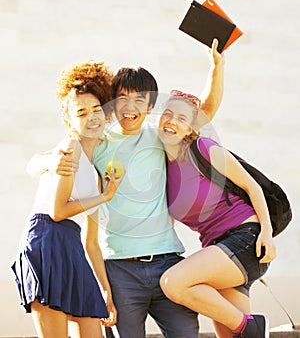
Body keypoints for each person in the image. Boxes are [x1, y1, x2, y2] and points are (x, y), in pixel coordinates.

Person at [26, 39, 224, 338]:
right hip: (119, 270)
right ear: (112, 103)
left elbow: (204, 112)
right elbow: (39, 160)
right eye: (122, 98)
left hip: (167, 263)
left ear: (150, 105)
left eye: (139, 99)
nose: (130, 107)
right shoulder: (98, 141)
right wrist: (48, 161)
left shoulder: (160, 137)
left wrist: (216, 68)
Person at [12, 61, 123, 338]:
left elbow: (91, 242)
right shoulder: (70, 147)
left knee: (92, 330)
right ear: (69, 121)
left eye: (97, 109)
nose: (92, 117)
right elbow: (58, 211)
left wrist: (106, 291)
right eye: (82, 112)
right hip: (47, 238)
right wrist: (104, 197)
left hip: (73, 245)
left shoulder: (97, 175)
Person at [157, 90, 277, 338]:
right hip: (217, 249)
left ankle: (254, 327)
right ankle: (248, 328)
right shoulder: (163, 168)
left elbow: (250, 185)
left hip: (246, 239)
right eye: (167, 114)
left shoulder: (203, 148)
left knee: (173, 283)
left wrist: (267, 232)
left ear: (191, 128)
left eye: (181, 118)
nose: (171, 121)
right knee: (230, 335)